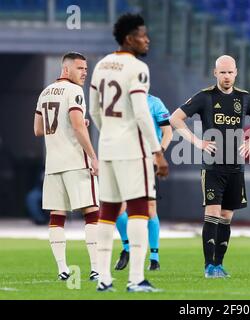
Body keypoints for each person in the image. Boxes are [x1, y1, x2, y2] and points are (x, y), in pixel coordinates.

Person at [89, 13, 169, 293]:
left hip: (107, 146)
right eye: (142, 35)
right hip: (133, 150)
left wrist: (109, 131)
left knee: (108, 210)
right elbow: (141, 113)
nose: (147, 39)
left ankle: (103, 279)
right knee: (138, 209)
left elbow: (94, 111)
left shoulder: (100, 66)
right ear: (128, 39)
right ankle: (136, 279)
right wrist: (157, 151)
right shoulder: (137, 68)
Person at [170, 55, 250, 278]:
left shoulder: (244, 98)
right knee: (212, 213)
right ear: (215, 73)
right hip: (213, 167)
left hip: (236, 167)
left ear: (236, 73)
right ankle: (208, 266)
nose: (226, 76)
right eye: (222, 72)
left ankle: (219, 265)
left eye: (230, 72)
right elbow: (176, 118)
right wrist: (198, 142)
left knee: (226, 216)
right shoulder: (205, 97)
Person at [33, 52, 100, 282]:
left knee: (57, 216)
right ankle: (95, 268)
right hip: (75, 162)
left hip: (53, 164)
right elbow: (77, 126)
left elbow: (38, 130)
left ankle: (62, 269)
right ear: (66, 69)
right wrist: (93, 156)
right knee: (91, 212)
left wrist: (75, 125)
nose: (84, 73)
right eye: (80, 68)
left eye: (85, 69)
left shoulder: (45, 92)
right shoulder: (75, 91)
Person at [114, 94, 173, 271]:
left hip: (147, 161)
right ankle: (127, 248)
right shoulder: (120, 102)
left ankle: (154, 258)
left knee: (150, 209)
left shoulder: (154, 102)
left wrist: (159, 154)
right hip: (124, 160)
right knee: (118, 208)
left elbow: (167, 132)